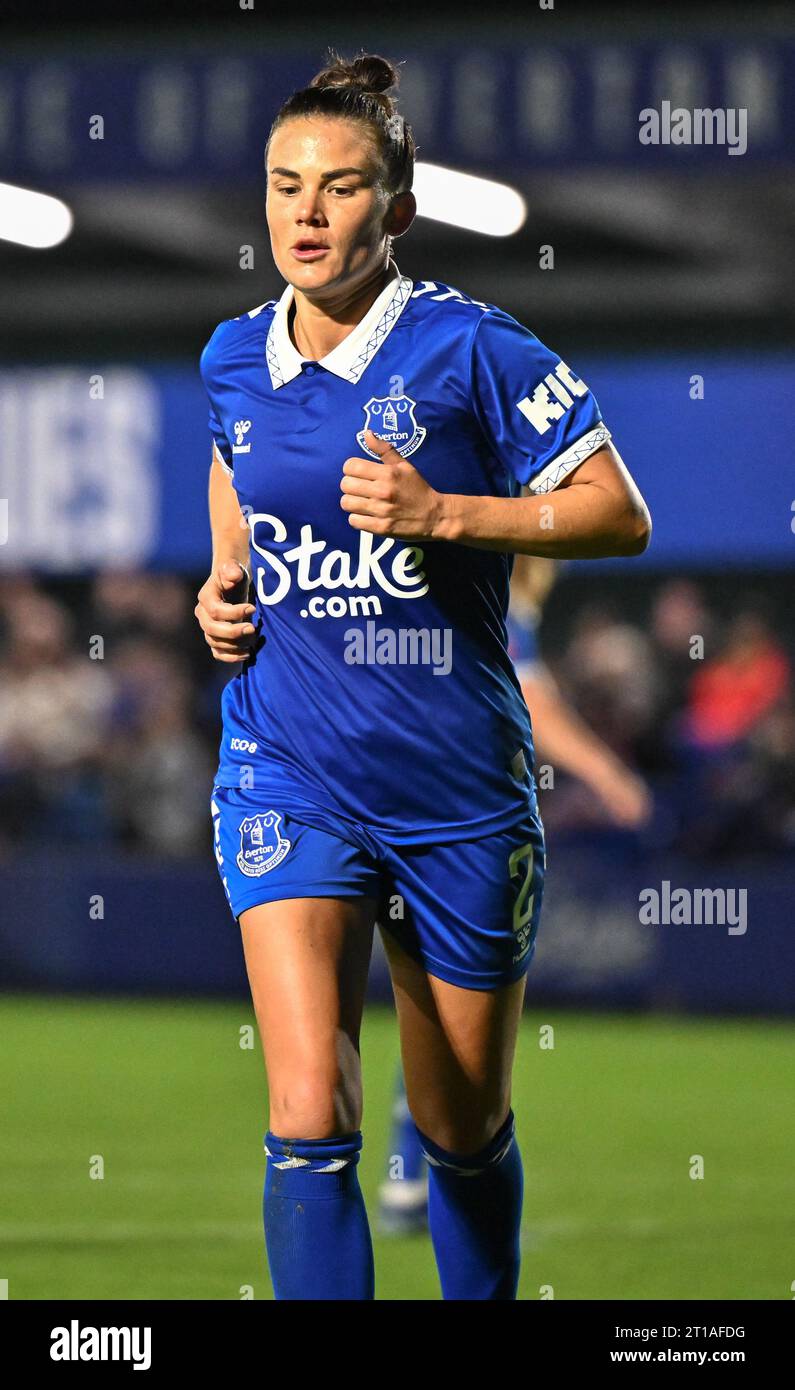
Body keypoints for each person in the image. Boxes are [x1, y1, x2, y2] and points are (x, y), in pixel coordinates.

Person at [196, 48, 651, 1301]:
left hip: (456, 791)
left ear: (394, 209)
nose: (305, 211)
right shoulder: (233, 356)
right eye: (285, 184)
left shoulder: (472, 349)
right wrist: (226, 577)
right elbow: (235, 460)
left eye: (339, 188)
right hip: (286, 770)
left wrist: (447, 513)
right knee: (309, 1106)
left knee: (457, 1130)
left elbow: (618, 514)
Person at [378, 557, 653, 1235]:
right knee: (455, 1011)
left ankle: (409, 1178)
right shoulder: (486, 580)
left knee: (432, 1005)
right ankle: (425, 1180)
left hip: (401, 796)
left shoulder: (471, 587)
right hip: (443, 813)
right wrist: (608, 775)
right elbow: (532, 700)